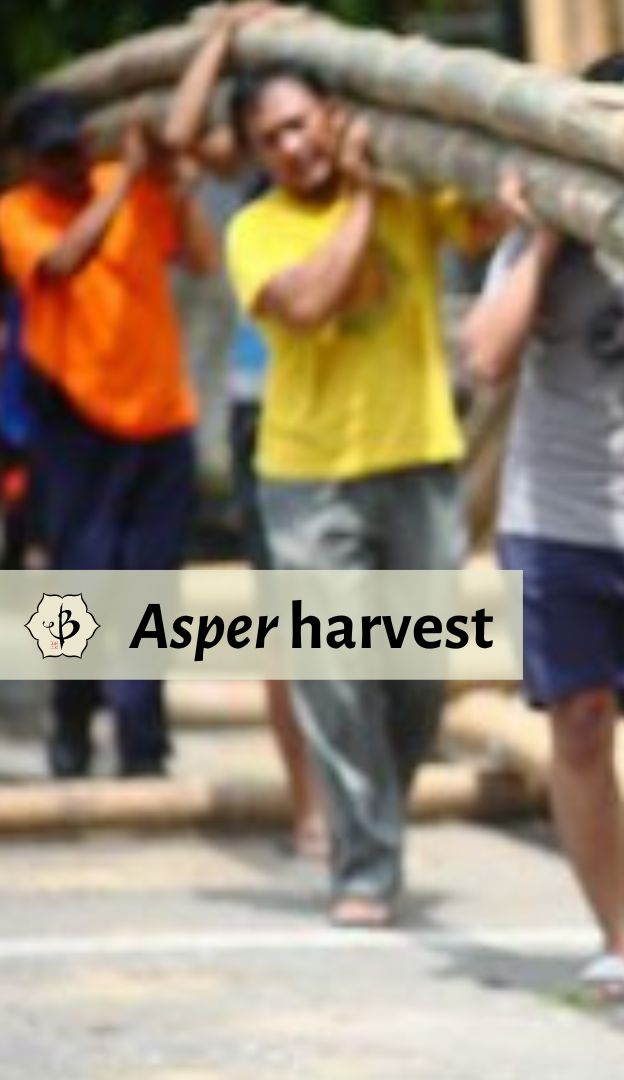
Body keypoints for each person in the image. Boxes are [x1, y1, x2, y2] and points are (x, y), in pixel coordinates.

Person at [459, 48, 624, 1002]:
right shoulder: (541, 230)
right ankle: (616, 933)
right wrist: (541, 241)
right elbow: (487, 358)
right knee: (577, 725)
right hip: (553, 519)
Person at [225, 62, 498, 928]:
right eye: (274, 137)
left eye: (305, 124)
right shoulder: (256, 228)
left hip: (417, 458)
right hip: (307, 478)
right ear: (255, 153)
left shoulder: (411, 190)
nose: (296, 146)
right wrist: (367, 198)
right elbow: (308, 303)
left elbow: (490, 219)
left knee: (413, 677)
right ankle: (366, 864)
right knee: (334, 675)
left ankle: (375, 818)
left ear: (334, 117)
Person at [0, 90, 218, 779]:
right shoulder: (14, 214)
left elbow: (202, 258)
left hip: (159, 418)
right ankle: (70, 718)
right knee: (77, 583)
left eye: (77, 148)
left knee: (150, 586)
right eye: (54, 155)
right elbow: (63, 261)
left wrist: (174, 185)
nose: (71, 165)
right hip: (75, 424)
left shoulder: (126, 188)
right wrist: (124, 178)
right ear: (25, 161)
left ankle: (142, 736)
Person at [161, 0, 327, 860]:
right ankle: (311, 807)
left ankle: (359, 797)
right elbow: (181, 138)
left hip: (366, 414)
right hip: (265, 401)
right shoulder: (258, 155)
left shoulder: (346, 133)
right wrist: (219, 41)